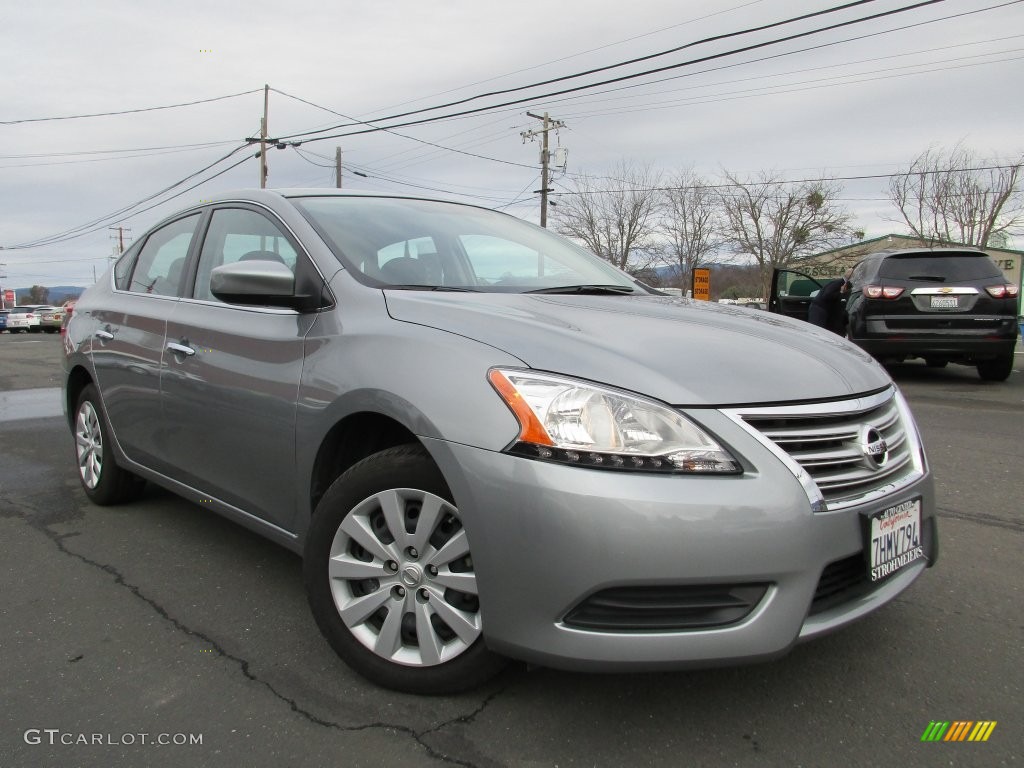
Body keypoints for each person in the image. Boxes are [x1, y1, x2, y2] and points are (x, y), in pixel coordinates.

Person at [808, 268, 853, 335]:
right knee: (816, 331)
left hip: (822, 309)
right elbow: (826, 295)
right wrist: (840, 293)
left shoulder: (841, 283)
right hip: (819, 309)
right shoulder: (838, 283)